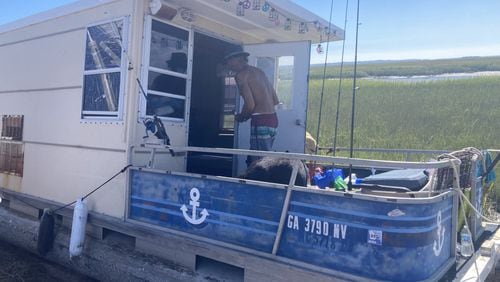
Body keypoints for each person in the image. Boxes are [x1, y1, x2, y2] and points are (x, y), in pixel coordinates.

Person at [223, 46, 279, 166]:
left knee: (260, 163)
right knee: (262, 157)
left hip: (260, 121)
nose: (228, 64)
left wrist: (241, 117)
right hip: (273, 120)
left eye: (228, 60)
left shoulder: (241, 76)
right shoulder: (259, 72)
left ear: (236, 59)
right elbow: (275, 100)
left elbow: (250, 105)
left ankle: (260, 184)